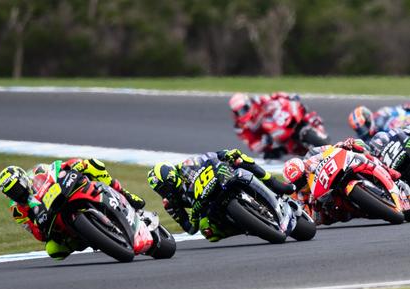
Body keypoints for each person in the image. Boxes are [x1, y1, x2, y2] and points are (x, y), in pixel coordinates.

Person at [0, 158, 145, 260]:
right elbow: (36, 234)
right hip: (55, 217)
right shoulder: (17, 210)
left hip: (67, 192)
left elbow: (58, 167)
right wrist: (39, 226)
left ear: (23, 179)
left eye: (17, 188)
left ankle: (125, 194)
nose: (16, 193)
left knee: (93, 164)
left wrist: (75, 165)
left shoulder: (38, 172)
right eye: (11, 192)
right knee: (53, 250)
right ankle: (89, 237)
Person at [146, 148, 295, 242]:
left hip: (220, 180)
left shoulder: (186, 165)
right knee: (208, 232)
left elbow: (212, 156)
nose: (165, 193)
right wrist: (194, 215)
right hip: (210, 207)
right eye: (161, 191)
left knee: (238, 158)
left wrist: (226, 155)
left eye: (165, 188)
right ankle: (251, 227)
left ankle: (275, 185)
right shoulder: (170, 203)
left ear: (171, 177)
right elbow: (190, 229)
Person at [282, 138, 406, 225]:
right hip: (334, 205)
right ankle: (371, 208)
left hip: (338, 172)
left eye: (302, 177)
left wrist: (344, 144)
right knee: (331, 213)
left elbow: (330, 150)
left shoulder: (311, 160)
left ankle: (389, 172)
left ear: (303, 169)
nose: (301, 182)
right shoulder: (297, 197)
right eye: (298, 182)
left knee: (359, 146)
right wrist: (315, 206)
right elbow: (313, 220)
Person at [229, 91, 323, 159]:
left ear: (248, 103)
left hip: (280, 119)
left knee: (302, 107)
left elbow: (275, 96)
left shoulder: (259, 100)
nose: (242, 113)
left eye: (244, 109)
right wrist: (263, 142)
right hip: (273, 135)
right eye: (239, 112)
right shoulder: (241, 127)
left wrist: (289, 96)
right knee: (273, 153)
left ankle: (313, 122)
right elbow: (252, 145)